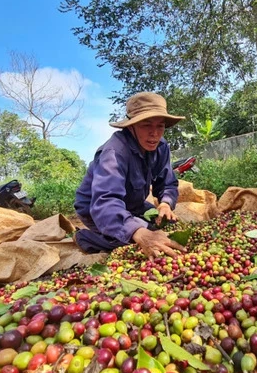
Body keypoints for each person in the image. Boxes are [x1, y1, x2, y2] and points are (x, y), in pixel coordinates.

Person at [74, 92, 186, 258]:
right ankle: (87, 238)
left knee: (161, 228)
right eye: (146, 125)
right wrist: (139, 233)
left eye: (160, 126)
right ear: (131, 126)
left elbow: (167, 183)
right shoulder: (114, 153)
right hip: (96, 208)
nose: (154, 133)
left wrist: (165, 204)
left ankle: (134, 225)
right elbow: (106, 202)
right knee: (135, 239)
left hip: (133, 205)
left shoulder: (161, 147)